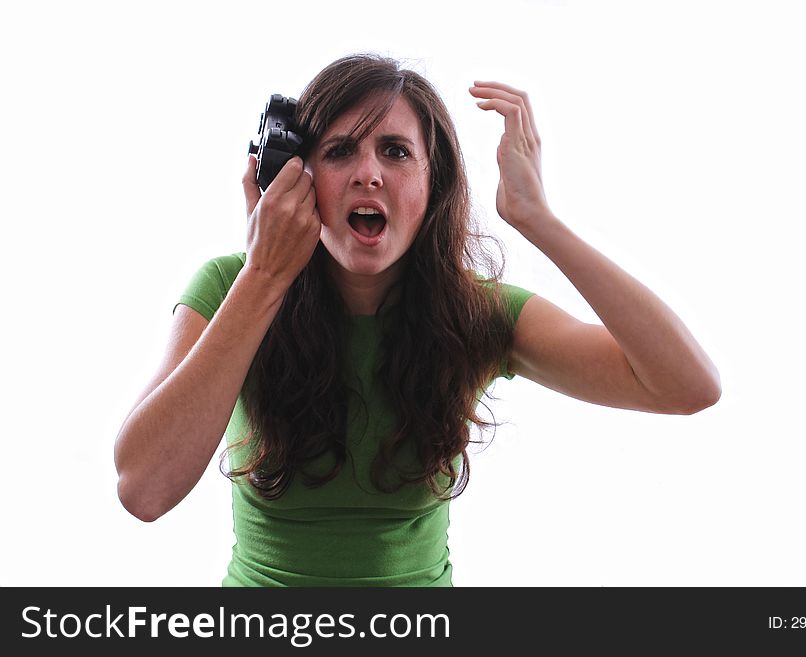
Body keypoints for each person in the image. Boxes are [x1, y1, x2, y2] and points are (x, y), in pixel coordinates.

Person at [114, 54, 721, 587]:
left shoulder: (477, 315)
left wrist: (538, 219)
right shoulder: (231, 286)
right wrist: (265, 277)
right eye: (340, 150)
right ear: (294, 178)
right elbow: (143, 489)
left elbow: (686, 385)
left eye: (396, 152)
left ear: (434, 186)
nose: (368, 173)